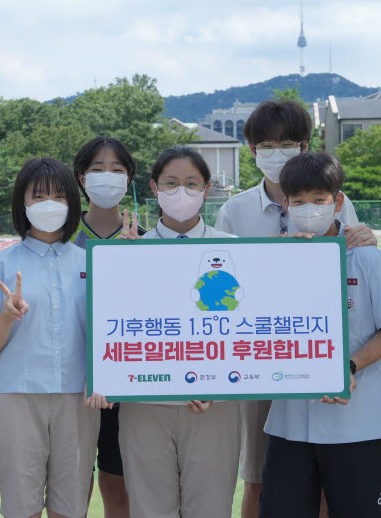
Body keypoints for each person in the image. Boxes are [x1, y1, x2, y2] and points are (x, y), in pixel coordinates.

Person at [212, 100, 376, 517]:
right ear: (251, 150)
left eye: (287, 143)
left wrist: (366, 242)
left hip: (315, 358)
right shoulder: (236, 210)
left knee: (321, 479)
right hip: (256, 363)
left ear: (305, 146)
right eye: (266, 144)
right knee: (258, 478)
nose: (277, 152)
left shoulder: (334, 201)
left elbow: (351, 265)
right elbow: (221, 282)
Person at [259, 152, 381, 517]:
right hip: (290, 424)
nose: (309, 208)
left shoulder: (368, 258)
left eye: (320, 200)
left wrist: (349, 367)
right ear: (286, 204)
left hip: (355, 424)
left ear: (337, 202)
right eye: (298, 201)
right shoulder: (270, 260)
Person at [0, 157, 109, 518]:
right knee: (21, 509)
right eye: (38, 196)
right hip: (16, 399)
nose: (49, 204)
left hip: (78, 401)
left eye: (58, 196)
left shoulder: (92, 263)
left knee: (71, 509)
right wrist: (6, 316)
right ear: (22, 203)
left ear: (72, 203)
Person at [115, 145, 241, 517]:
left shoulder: (236, 251)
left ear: (207, 188)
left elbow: (248, 337)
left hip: (214, 406)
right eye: (171, 183)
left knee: (212, 509)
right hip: (144, 405)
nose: (181, 192)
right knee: (150, 509)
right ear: (154, 187)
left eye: (191, 183)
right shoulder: (124, 254)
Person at [71, 136, 141, 517]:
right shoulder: (61, 240)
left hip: (127, 388)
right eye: (97, 170)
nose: (107, 177)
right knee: (71, 491)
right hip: (70, 385)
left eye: (116, 170)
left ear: (129, 179)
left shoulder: (143, 240)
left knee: (118, 490)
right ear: (81, 179)